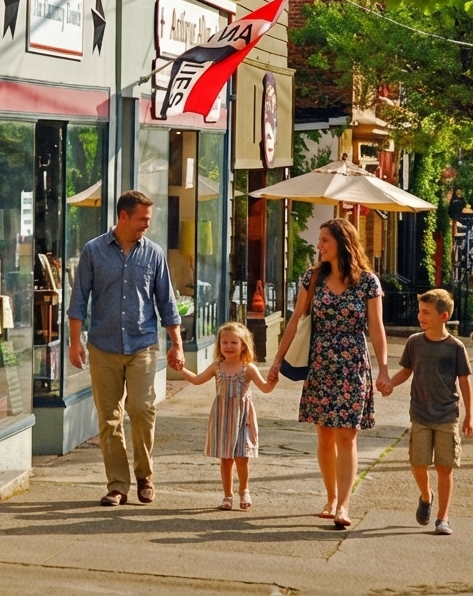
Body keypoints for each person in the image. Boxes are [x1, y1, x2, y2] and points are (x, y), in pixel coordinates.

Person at [267, 218, 392, 529]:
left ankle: (345, 505)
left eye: (324, 240)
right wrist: (276, 361)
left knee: (348, 435)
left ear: (341, 243)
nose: (319, 245)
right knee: (324, 435)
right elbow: (296, 320)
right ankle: (331, 497)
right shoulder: (313, 278)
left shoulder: (368, 282)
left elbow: (376, 329)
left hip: (353, 364)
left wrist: (384, 370)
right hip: (321, 363)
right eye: (320, 240)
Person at [68, 189, 184, 507]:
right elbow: (78, 299)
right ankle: (118, 484)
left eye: (149, 218)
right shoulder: (93, 251)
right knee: (109, 419)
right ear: (123, 216)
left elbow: (167, 302)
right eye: (143, 219)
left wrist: (176, 343)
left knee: (142, 409)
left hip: (142, 344)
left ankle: (144, 475)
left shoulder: (154, 254)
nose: (147, 224)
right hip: (103, 346)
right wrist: (74, 341)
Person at [381, 289, 473, 536]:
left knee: (445, 467)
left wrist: (470, 415)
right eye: (419, 311)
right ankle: (426, 495)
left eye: (426, 312)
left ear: (443, 316)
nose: (420, 316)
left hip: (446, 415)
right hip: (420, 413)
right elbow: (406, 371)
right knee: (418, 463)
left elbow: (464, 381)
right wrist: (390, 383)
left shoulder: (455, 347)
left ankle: (443, 518)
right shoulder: (415, 342)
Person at [173, 322, 274, 511]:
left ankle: (244, 490)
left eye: (234, 342)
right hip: (222, 417)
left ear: (243, 345)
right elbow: (196, 380)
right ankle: (227, 495)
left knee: (242, 457)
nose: (228, 346)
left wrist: (274, 377)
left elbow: (266, 388)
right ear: (219, 345)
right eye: (224, 342)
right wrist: (180, 369)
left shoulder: (248, 368)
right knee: (226, 459)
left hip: (243, 417)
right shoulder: (216, 367)